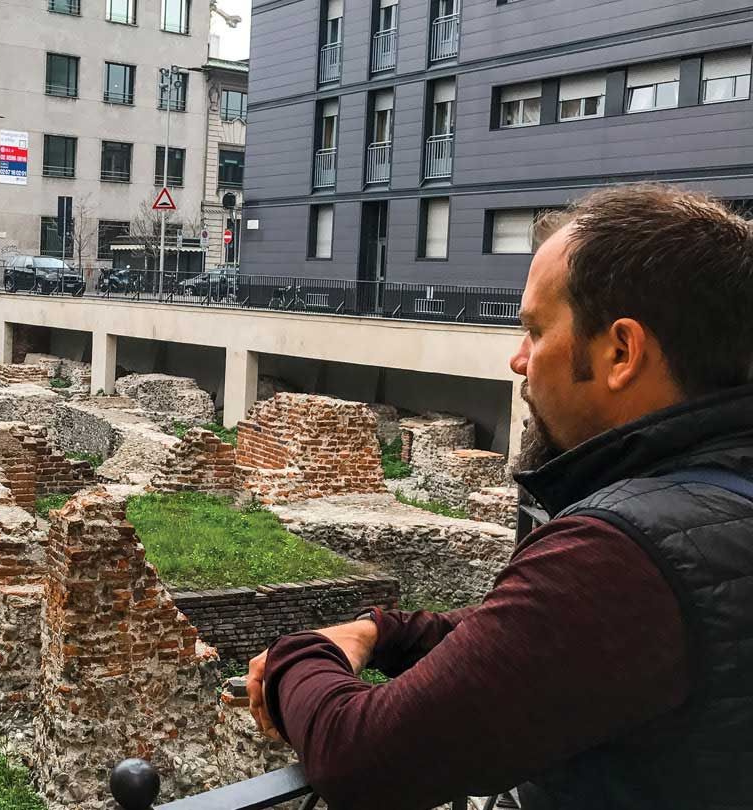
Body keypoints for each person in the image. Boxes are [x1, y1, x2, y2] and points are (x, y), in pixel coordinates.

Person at [247, 185, 753, 810]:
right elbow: (543, 642)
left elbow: (362, 757)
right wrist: (385, 631)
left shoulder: (624, 551)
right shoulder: (708, 510)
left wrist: (303, 652)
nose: (518, 360)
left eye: (536, 332)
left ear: (621, 351)